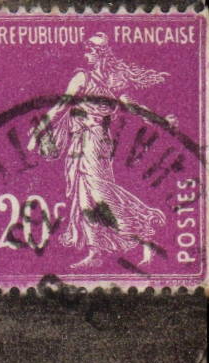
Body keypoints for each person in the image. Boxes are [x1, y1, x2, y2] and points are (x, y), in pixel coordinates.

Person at [28, 33, 169, 268]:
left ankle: (144, 233)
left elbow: (134, 106)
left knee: (101, 194)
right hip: (80, 141)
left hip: (96, 141)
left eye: (90, 51)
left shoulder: (112, 81)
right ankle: (96, 252)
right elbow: (60, 107)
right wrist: (40, 131)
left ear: (101, 54)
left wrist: (162, 121)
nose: (86, 55)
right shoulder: (81, 78)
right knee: (84, 198)